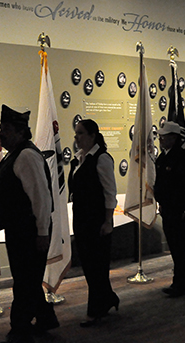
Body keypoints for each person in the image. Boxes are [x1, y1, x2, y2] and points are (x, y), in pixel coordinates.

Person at [0, 105, 59, 343]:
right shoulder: (16, 154)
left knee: (23, 282)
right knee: (27, 278)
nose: (2, 135)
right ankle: (46, 318)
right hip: (20, 229)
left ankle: (19, 334)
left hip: (29, 231)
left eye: (6, 130)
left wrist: (42, 233)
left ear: (20, 131)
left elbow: (41, 199)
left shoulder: (27, 156)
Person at [68, 119, 120, 327]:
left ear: (92, 135)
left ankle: (95, 310)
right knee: (90, 265)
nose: (76, 137)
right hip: (82, 220)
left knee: (96, 266)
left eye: (80, 133)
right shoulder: (80, 159)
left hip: (97, 221)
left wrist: (108, 221)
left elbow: (110, 193)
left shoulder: (102, 159)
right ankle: (108, 298)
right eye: (76, 133)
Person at [154, 121, 185, 298]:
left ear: (174, 138)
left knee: (178, 247)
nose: (160, 139)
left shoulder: (182, 158)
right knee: (176, 247)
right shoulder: (162, 158)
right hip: (168, 209)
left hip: (180, 210)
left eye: (164, 136)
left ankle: (179, 283)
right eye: (160, 136)